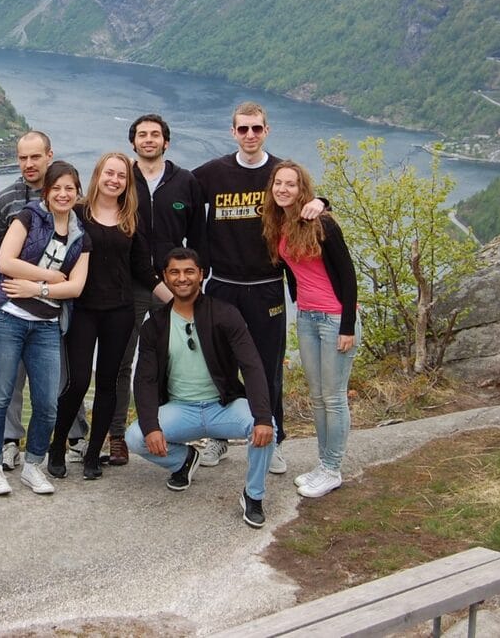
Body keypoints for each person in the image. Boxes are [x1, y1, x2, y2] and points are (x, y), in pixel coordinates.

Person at [193, 101, 324, 472]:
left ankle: (273, 437)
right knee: (218, 364)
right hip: (222, 284)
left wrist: (321, 201)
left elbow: (310, 203)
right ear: (232, 132)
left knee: (268, 368)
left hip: (266, 285)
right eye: (243, 129)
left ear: (267, 130)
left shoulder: (280, 173)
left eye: (256, 129)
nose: (250, 135)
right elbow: (177, 194)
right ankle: (218, 437)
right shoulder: (213, 173)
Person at [124, 247, 276, 528]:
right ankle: (183, 459)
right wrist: (151, 425)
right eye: (175, 272)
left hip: (223, 406)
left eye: (189, 271)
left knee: (267, 428)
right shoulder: (155, 325)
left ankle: (253, 496)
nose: (182, 278)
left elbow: (252, 365)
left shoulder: (224, 314)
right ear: (165, 278)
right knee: (136, 437)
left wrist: (263, 418)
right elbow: (144, 379)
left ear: (201, 275)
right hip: (181, 410)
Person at [0, 161, 91, 496]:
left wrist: (36, 289)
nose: (62, 194)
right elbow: (5, 262)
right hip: (7, 317)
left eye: (69, 188)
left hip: (45, 325)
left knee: (47, 403)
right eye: (56, 188)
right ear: (47, 191)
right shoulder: (28, 217)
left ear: (77, 193)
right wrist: (51, 278)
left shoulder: (81, 236)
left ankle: (33, 466)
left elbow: (76, 288)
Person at [50, 152, 157, 480]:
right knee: (78, 380)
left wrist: (182, 300)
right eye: (109, 173)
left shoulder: (130, 218)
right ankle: (57, 448)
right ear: (98, 175)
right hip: (82, 308)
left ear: (128, 183)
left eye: (121, 176)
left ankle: (94, 453)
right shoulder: (78, 212)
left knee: (109, 382)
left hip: (120, 312)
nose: (115, 180)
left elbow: (143, 269)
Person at [263, 161, 358, 499]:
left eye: (291, 184)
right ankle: (323, 465)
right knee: (318, 397)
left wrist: (347, 327)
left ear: (302, 189)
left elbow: (347, 276)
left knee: (333, 398)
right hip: (307, 317)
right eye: (278, 183)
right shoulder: (281, 224)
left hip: (335, 319)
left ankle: (332, 469)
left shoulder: (323, 224)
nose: (283, 189)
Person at [110, 113, 200, 465]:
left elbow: (199, 236)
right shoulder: (121, 180)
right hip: (128, 287)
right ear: (133, 143)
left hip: (175, 286)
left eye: (155, 134)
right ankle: (118, 436)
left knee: (177, 363)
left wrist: (192, 283)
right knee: (122, 362)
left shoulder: (186, 182)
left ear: (166, 142)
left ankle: (173, 434)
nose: (149, 139)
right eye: (142, 135)